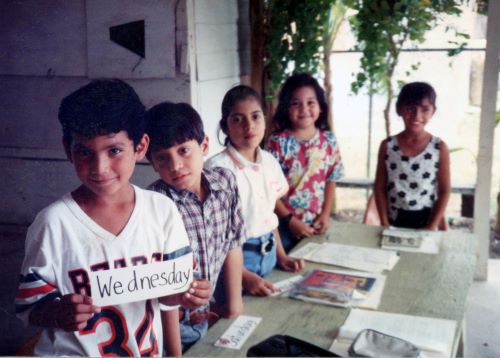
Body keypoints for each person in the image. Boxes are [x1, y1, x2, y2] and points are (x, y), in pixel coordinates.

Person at [14, 79, 209, 356]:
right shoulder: (52, 224)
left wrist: (187, 294)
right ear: (67, 148)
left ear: (140, 147)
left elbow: (169, 294)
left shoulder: (162, 212)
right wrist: (57, 312)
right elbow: (29, 306)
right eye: (84, 152)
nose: (100, 167)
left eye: (114, 150)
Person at [145, 102, 245, 351]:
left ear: (205, 146)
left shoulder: (225, 182)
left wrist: (234, 304)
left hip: (207, 318)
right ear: (152, 163)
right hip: (165, 328)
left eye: (184, 151)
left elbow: (231, 242)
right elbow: (152, 280)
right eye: (162, 157)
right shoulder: (152, 205)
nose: (175, 165)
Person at [205, 85, 305, 297]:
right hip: (235, 266)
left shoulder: (268, 161)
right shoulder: (217, 170)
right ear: (225, 126)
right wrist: (243, 275)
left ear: (264, 119)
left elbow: (268, 216)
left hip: (269, 257)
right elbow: (212, 236)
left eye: (255, 117)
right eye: (238, 119)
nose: (249, 126)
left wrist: (282, 256)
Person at [267, 73, 344, 252]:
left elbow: (332, 177)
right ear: (286, 107)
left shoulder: (329, 141)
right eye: (296, 103)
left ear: (321, 107)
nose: (304, 109)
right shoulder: (277, 142)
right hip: (283, 225)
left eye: (311, 102)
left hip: (316, 224)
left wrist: (325, 215)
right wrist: (290, 221)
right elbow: (268, 189)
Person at [373, 81, 451, 230]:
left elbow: (444, 190)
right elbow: (379, 187)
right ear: (399, 109)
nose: (417, 115)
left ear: (433, 111)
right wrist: (384, 224)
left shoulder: (439, 148)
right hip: (393, 221)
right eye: (410, 108)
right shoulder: (387, 146)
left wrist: (431, 227)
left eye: (425, 109)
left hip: (427, 222)